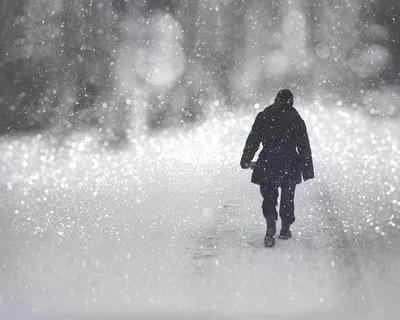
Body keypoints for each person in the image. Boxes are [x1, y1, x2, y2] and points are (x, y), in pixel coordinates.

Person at [240, 89, 314, 247]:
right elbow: (304, 146)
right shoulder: (296, 119)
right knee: (288, 197)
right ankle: (286, 227)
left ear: (276, 100)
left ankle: (270, 222)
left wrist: (246, 160)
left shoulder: (264, 116)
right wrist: (307, 169)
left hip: (268, 162)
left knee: (268, 196)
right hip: (290, 163)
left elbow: (253, 139)